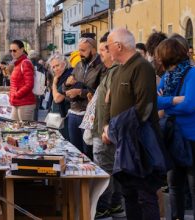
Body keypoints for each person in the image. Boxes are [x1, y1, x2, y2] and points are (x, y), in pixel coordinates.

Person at [102, 28, 167, 220]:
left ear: (119, 46)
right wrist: (106, 126)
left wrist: (113, 129)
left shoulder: (142, 67)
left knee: (145, 194)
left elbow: (144, 108)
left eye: (108, 46)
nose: (106, 50)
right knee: (128, 193)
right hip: (123, 142)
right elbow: (109, 102)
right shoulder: (117, 70)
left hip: (141, 143)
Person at [82, 33, 124, 219]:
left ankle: (104, 207)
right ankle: (113, 205)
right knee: (111, 169)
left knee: (105, 170)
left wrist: (107, 127)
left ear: (112, 50)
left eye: (102, 51)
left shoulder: (115, 72)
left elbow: (114, 104)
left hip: (105, 131)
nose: (100, 55)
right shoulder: (110, 71)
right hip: (104, 129)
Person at [156, 38, 195, 220]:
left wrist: (166, 105)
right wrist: (173, 100)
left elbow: (190, 104)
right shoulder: (167, 77)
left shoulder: (194, 74)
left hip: (192, 138)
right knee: (174, 185)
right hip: (173, 136)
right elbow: (155, 100)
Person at [64, 37, 105, 159]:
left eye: (83, 50)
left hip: (88, 115)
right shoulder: (79, 65)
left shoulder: (102, 66)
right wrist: (66, 84)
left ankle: (89, 177)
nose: (80, 53)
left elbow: (101, 91)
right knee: (75, 152)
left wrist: (80, 92)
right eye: (79, 50)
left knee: (88, 153)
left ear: (93, 50)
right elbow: (65, 90)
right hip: (73, 112)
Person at [9, 39, 36, 121]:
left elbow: (29, 84)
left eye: (14, 50)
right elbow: (16, 84)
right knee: (14, 129)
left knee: (25, 130)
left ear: (21, 49)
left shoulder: (25, 63)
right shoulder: (17, 64)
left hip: (25, 103)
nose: (12, 53)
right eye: (11, 51)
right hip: (17, 102)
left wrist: (16, 95)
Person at [48, 52, 72, 140]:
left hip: (66, 116)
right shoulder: (59, 77)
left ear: (64, 63)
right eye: (53, 67)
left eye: (57, 65)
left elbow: (57, 98)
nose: (55, 69)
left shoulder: (69, 75)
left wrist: (54, 84)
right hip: (59, 116)